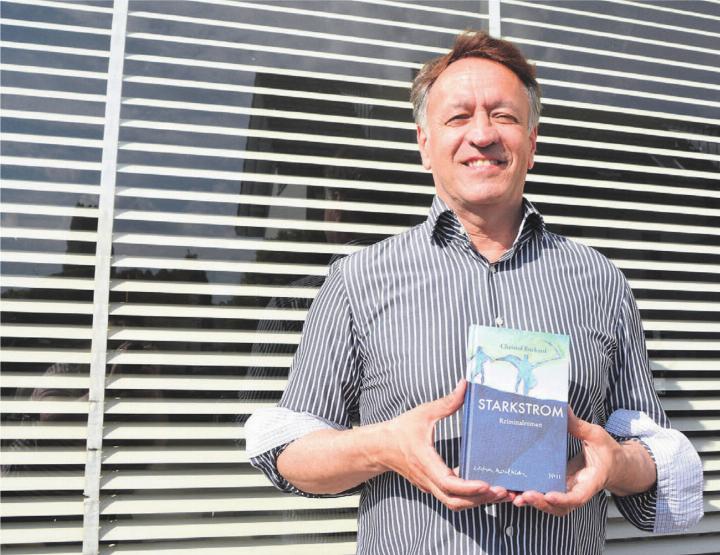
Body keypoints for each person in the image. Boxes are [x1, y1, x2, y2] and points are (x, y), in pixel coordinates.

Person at [246, 31, 703, 554]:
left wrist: (615, 462)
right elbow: (290, 454)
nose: (482, 134)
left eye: (504, 116)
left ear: (532, 143)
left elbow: (652, 448)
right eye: (458, 117)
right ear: (425, 144)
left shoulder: (600, 280)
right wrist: (383, 447)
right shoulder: (358, 280)